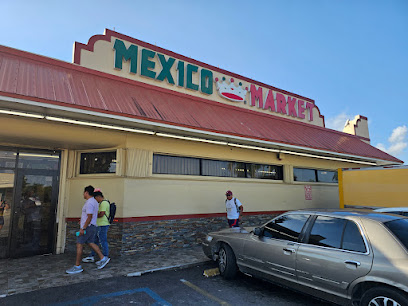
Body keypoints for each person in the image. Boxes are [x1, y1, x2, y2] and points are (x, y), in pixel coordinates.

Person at [66, 185, 110, 274]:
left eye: (84, 193)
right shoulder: (94, 202)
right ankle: (103, 258)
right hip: (93, 226)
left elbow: (89, 216)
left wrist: (83, 228)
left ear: (86, 192)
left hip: (88, 227)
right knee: (90, 242)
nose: (83, 194)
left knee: (79, 244)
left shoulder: (89, 203)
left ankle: (77, 266)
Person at [82, 189, 110, 263]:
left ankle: (105, 256)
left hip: (103, 225)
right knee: (95, 241)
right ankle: (92, 255)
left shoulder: (104, 203)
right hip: (99, 225)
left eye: (95, 198)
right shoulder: (100, 203)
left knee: (103, 240)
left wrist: (93, 215)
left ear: (98, 197)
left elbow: (101, 214)